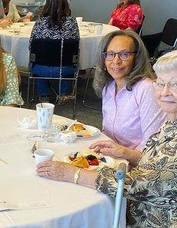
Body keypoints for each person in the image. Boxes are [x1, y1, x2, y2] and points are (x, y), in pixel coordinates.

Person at [37, 50, 177, 228]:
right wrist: (125, 152)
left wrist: (70, 173)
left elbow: (134, 186)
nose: (164, 92)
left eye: (175, 84)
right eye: (160, 83)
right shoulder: (170, 124)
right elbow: (159, 164)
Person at [92, 30, 166, 150]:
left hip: (139, 164)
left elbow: (153, 147)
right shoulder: (109, 87)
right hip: (112, 159)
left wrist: (122, 154)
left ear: (136, 58)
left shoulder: (146, 89)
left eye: (124, 54)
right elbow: (107, 133)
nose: (116, 61)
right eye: (110, 54)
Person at [30, 0, 80, 104]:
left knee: (38, 60)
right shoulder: (71, 22)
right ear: (65, 5)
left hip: (40, 68)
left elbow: (31, 46)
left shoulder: (39, 22)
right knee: (65, 58)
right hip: (65, 68)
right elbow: (76, 47)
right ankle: (63, 94)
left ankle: (43, 95)